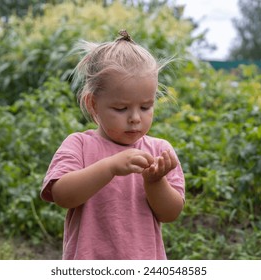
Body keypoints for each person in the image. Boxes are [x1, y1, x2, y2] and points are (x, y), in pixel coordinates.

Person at [40, 30, 185, 260]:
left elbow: (170, 213)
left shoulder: (159, 152)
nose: (135, 118)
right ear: (93, 104)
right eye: (121, 108)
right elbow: (62, 196)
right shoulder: (79, 145)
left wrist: (155, 182)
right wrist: (109, 167)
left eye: (146, 107)